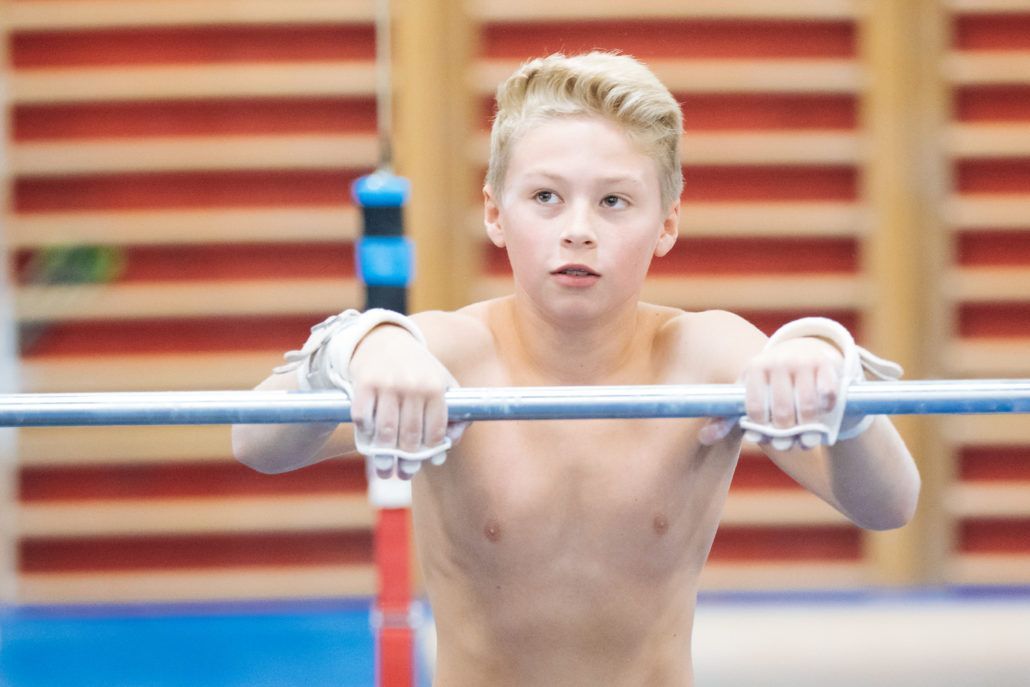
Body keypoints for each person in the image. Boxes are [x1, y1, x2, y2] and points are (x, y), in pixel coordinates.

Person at [233, 52, 920, 686]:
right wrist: (356, 347)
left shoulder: (704, 356)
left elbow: (888, 505)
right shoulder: (450, 355)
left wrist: (830, 371)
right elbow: (255, 444)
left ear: (667, 223)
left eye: (614, 201)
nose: (579, 230)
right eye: (546, 198)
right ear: (495, 214)